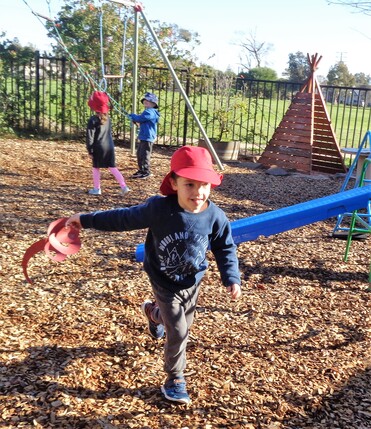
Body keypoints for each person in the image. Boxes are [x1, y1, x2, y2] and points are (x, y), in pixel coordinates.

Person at [65, 146, 241, 405]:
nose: (198, 192)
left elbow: (225, 247)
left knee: (181, 325)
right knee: (179, 331)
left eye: (204, 185)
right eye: (189, 184)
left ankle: (152, 313)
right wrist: (86, 219)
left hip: (192, 282)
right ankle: (175, 378)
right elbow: (123, 218)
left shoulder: (215, 216)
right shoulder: (159, 209)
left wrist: (232, 277)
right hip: (163, 280)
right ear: (174, 182)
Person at [86, 91, 130, 195]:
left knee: (96, 167)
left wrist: (90, 149)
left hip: (98, 147)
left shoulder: (93, 120)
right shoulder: (107, 119)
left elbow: (90, 136)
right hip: (109, 146)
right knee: (112, 167)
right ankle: (124, 186)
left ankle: (97, 189)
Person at [128, 92, 160, 179]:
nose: (146, 102)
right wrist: (135, 118)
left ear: (154, 104)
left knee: (144, 154)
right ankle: (141, 170)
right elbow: (141, 119)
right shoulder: (147, 111)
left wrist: (133, 116)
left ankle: (146, 171)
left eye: (148, 101)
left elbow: (141, 118)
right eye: (145, 100)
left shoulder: (150, 112)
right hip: (144, 136)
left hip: (148, 137)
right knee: (140, 154)